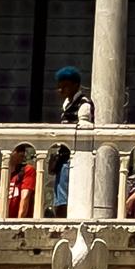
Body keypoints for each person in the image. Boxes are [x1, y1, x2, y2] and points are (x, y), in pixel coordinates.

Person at [51, 64, 94, 214]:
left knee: (66, 199)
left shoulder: (84, 105)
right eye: (60, 87)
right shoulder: (66, 105)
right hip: (63, 157)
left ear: (75, 85)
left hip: (73, 158)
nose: (61, 90)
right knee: (60, 198)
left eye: (65, 87)